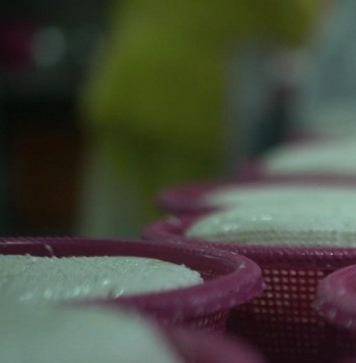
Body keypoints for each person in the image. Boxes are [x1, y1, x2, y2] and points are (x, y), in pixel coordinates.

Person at [79, 0, 319, 238]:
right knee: (181, 229)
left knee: (116, 223)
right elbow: (306, 29)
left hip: (123, 82)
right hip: (186, 102)